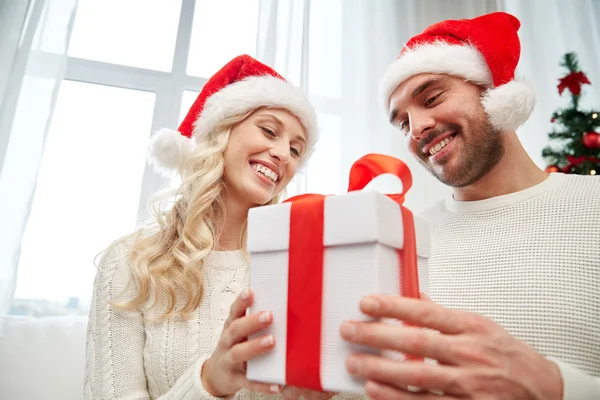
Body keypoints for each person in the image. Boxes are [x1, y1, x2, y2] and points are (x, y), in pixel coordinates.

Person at [339, 12, 600, 399]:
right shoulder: (402, 240)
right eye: (402, 122)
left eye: (432, 98)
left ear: (495, 91)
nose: (416, 129)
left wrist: (557, 388)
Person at [83, 54, 355, 400]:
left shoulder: (301, 266)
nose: (284, 154)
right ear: (219, 134)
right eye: (269, 131)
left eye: (296, 149)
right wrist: (210, 382)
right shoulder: (128, 261)